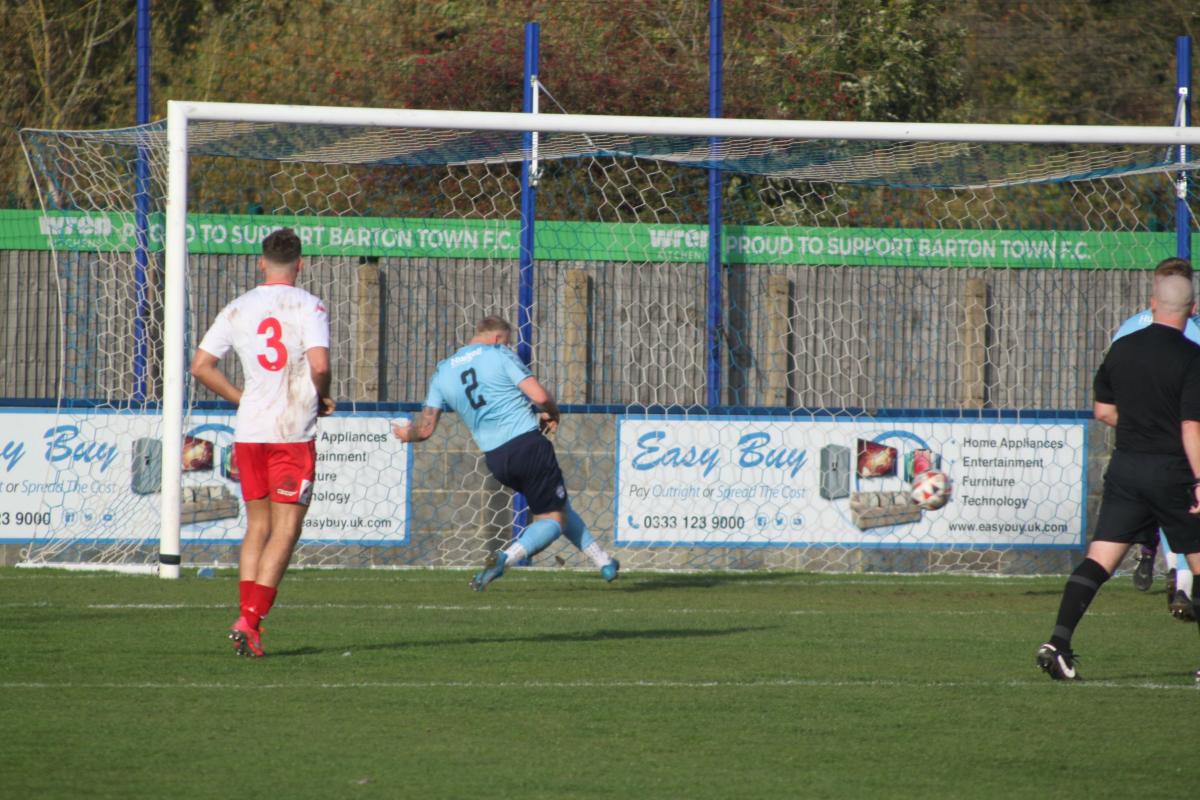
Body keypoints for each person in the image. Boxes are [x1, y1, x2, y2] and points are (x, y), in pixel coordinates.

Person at [1037, 272, 1200, 681]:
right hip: (1174, 473)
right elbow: (1191, 428)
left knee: (1099, 560)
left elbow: (1104, 411)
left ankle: (1058, 644)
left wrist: (1141, 424)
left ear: (1152, 303)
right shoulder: (1193, 357)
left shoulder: (1122, 348)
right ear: (1193, 310)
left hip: (1126, 469)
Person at [392, 315, 618, 590]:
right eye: (507, 342)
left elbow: (425, 429)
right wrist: (552, 412)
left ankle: (603, 561)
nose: (508, 346)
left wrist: (406, 434)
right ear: (498, 338)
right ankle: (506, 559)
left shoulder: (443, 372)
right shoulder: (498, 354)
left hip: (498, 461)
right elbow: (539, 396)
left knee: (558, 505)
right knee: (553, 518)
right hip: (528, 446)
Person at [191, 228, 334, 657]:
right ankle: (251, 620)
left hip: (250, 432)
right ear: (301, 264)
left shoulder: (238, 307)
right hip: (291, 433)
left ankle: (247, 619)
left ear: (261, 262)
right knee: (286, 528)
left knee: (258, 526)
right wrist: (323, 394)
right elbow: (320, 364)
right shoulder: (309, 305)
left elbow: (201, 366)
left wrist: (242, 398)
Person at [1110, 256, 1199, 620]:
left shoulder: (1131, 328)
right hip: (1183, 439)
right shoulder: (1191, 329)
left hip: (1141, 441)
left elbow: (1111, 384)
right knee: (1184, 511)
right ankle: (1180, 582)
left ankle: (1158, 557)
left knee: (1158, 508)